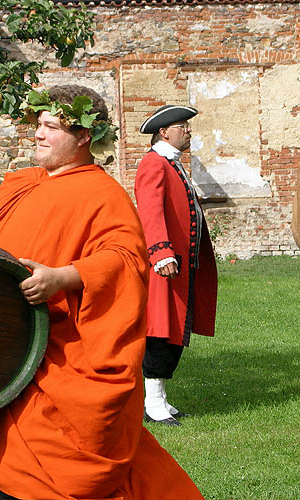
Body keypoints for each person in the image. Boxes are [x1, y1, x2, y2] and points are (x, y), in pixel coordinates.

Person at [0, 86, 205, 500]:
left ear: (84, 136)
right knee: (11, 471)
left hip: (60, 362)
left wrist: (64, 277)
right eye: (38, 125)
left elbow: (125, 260)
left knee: (48, 480)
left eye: (51, 126)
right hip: (5, 362)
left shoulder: (103, 195)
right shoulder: (20, 185)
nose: (38, 134)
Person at [134, 105, 218, 427]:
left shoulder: (172, 164)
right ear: (165, 132)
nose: (189, 131)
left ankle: (161, 400)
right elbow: (151, 211)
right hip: (165, 265)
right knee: (160, 332)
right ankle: (152, 403)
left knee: (175, 332)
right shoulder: (153, 164)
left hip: (182, 265)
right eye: (183, 126)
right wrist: (161, 252)